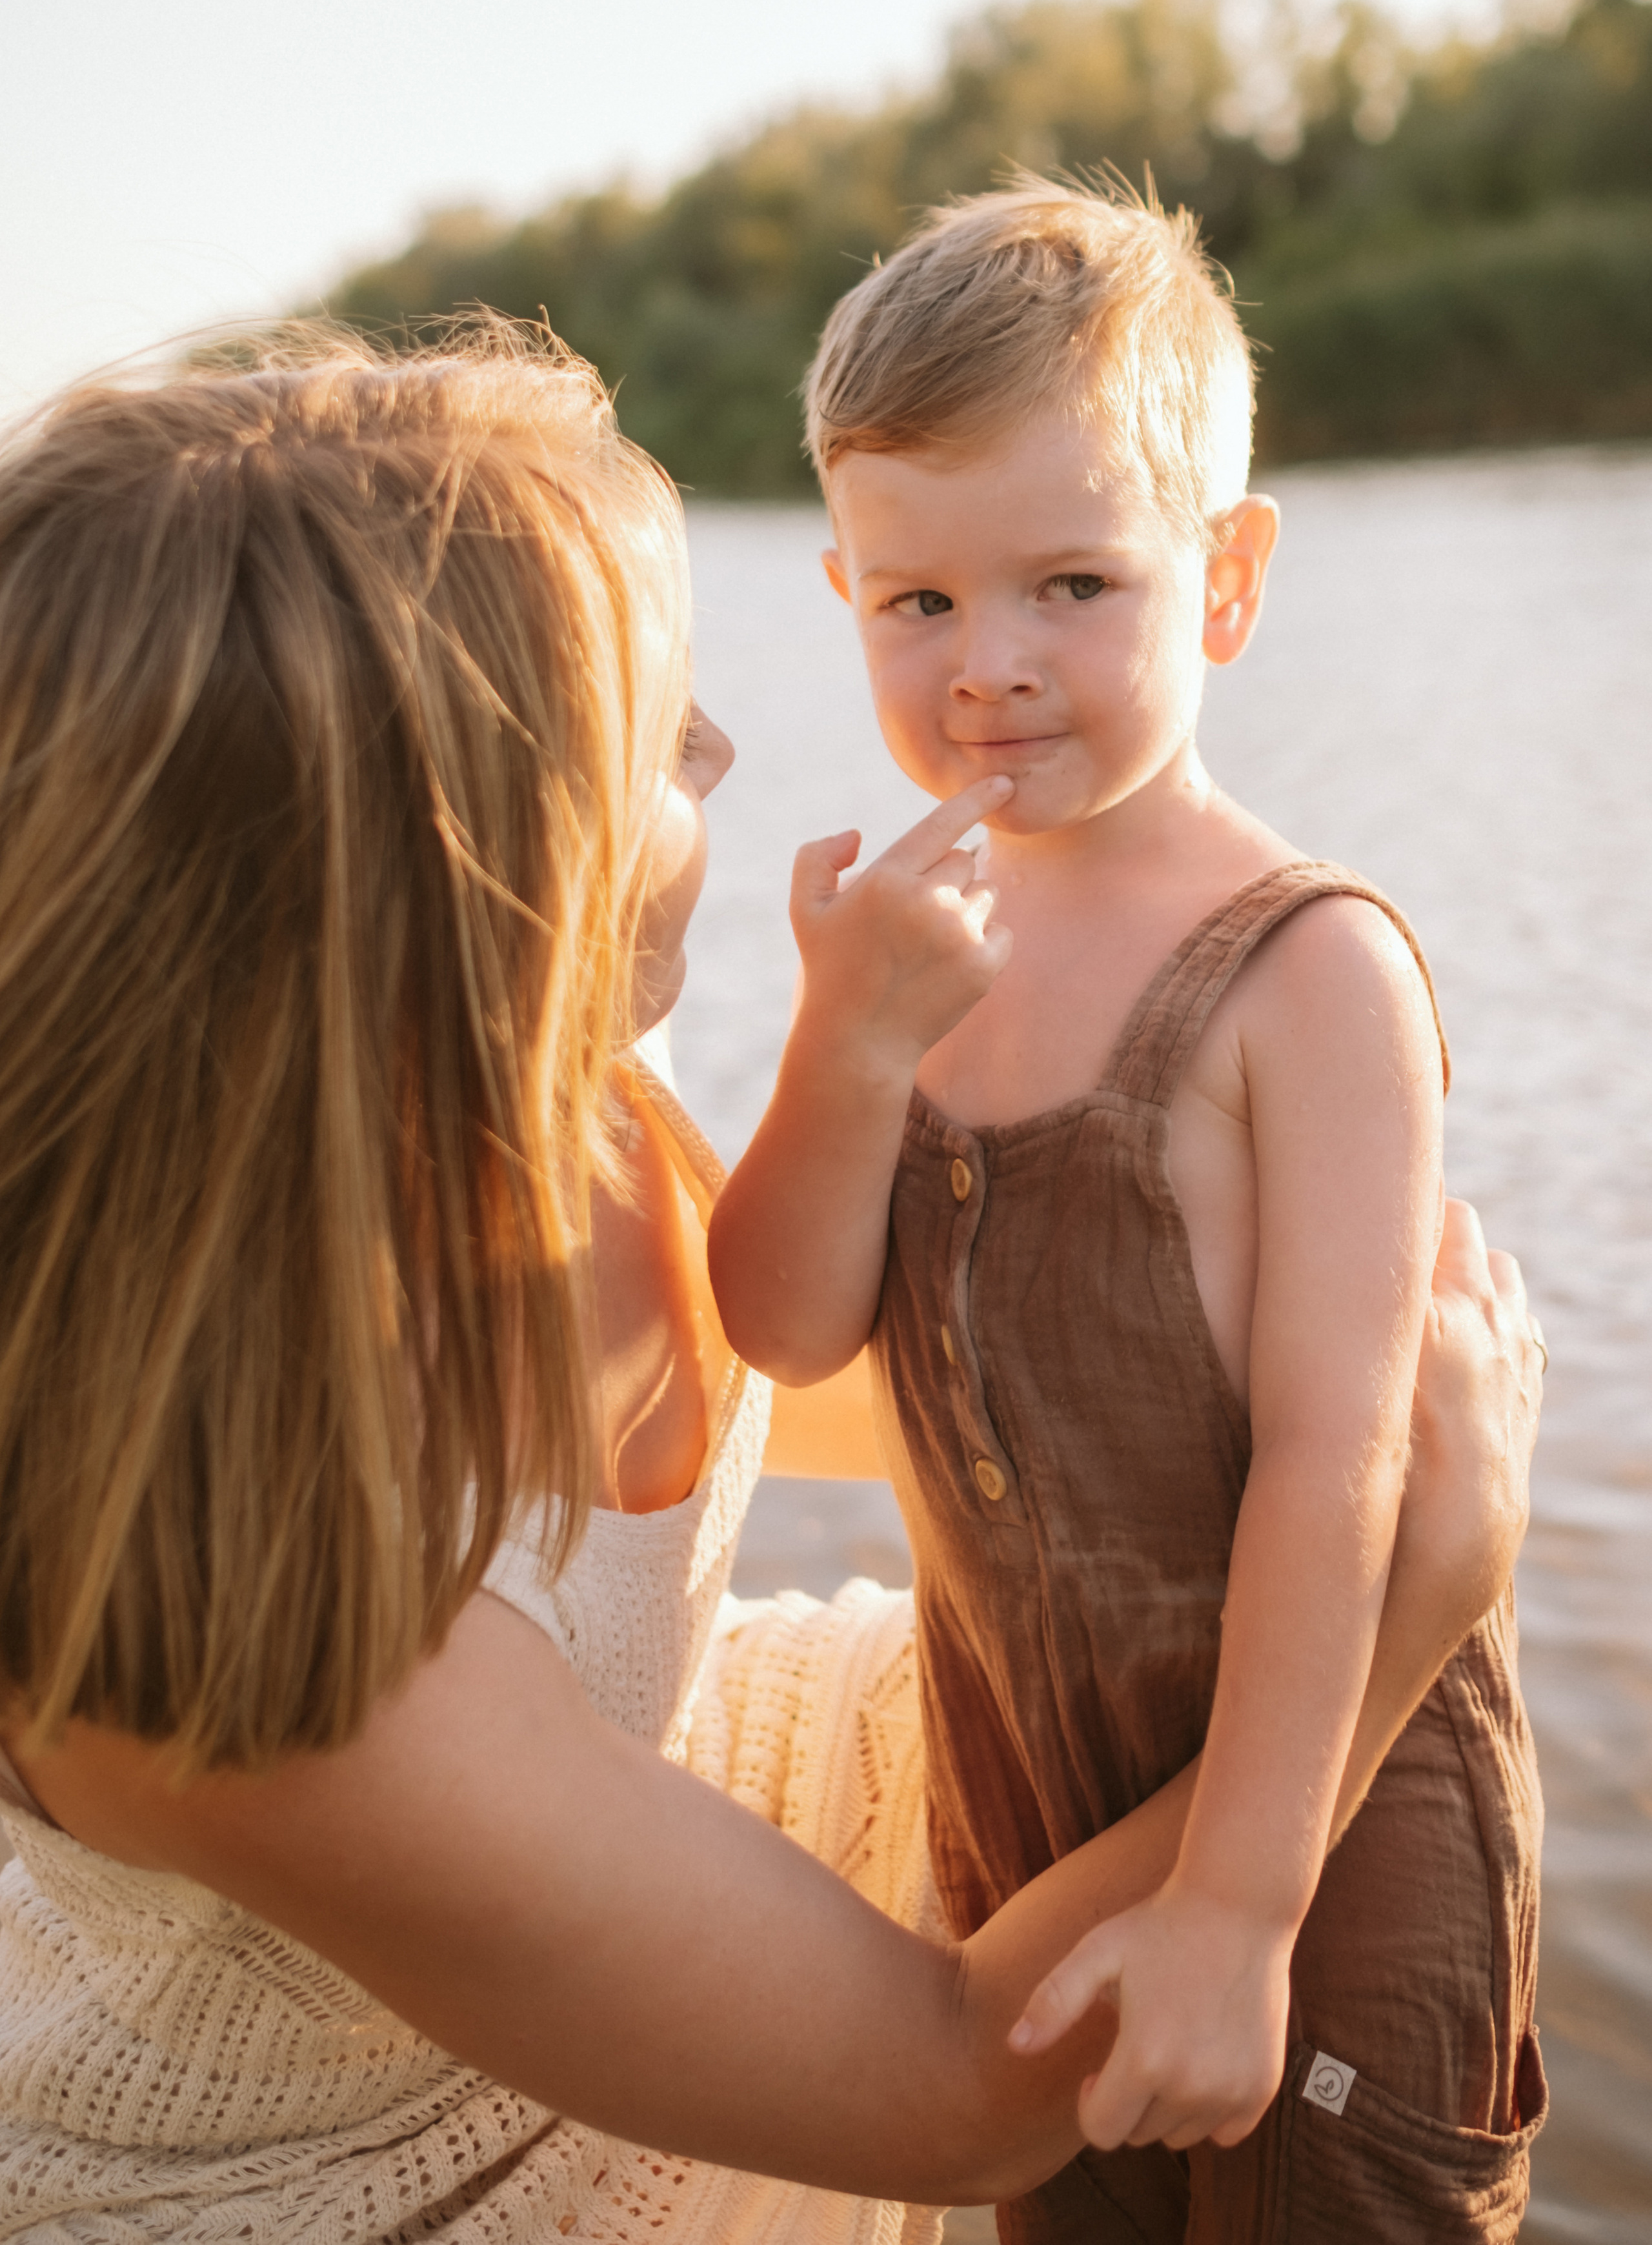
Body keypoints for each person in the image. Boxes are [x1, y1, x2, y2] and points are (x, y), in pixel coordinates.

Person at [0, 329, 1539, 2244]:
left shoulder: (553, 1100)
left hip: (617, 1824)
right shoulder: (236, 1607)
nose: (725, 754)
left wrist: (1258, 1360)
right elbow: (958, 2090)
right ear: (451, 875)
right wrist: (1416, 1590)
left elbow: (832, 1363)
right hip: (393, 2162)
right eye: (657, 742)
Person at [709, 179, 1546, 2243]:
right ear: (846, 591)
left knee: (1333, 2196)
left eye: (1071, 582)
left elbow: (1345, 1464)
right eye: (917, 605)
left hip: (1327, 1839)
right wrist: (845, 1049)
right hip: (1035, 1813)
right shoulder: (915, 948)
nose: (988, 666)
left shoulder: (1309, 973)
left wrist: (1246, 1904)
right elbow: (784, 1326)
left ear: (1230, 579)